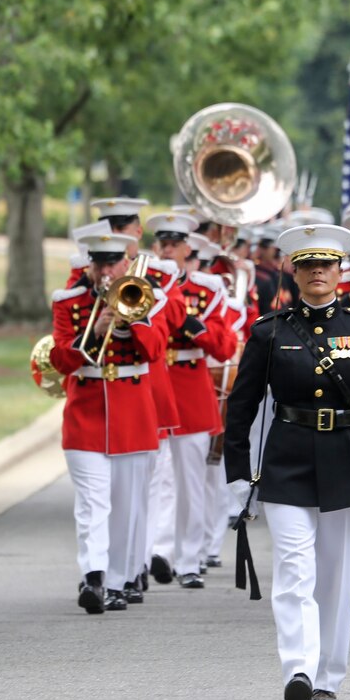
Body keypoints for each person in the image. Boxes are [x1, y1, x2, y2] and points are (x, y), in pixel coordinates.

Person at [224, 224, 350, 700]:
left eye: (327, 264)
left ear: (343, 270)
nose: (318, 272)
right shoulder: (270, 331)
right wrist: (238, 473)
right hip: (287, 461)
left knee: (337, 578)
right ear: (294, 270)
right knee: (293, 571)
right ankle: (298, 671)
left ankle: (329, 676)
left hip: (347, 460)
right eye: (308, 264)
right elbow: (241, 406)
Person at [49, 231, 168, 613]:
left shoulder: (149, 296)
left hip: (133, 415)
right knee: (92, 503)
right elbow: (62, 359)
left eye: (111, 263)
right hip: (85, 414)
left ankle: (120, 579)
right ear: (89, 265)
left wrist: (129, 321)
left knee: (128, 505)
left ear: (125, 265)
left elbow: (155, 351)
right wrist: (94, 333)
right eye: (98, 263)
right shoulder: (68, 302)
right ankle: (94, 576)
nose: (104, 271)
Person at [145, 211, 238, 589]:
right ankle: (155, 552)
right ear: (155, 247)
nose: (168, 250)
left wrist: (193, 327)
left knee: (191, 479)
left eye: (174, 244)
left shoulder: (208, 288)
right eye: (162, 244)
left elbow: (225, 344)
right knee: (156, 477)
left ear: (188, 248)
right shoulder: (142, 283)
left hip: (189, 384)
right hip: (152, 383)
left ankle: (189, 558)